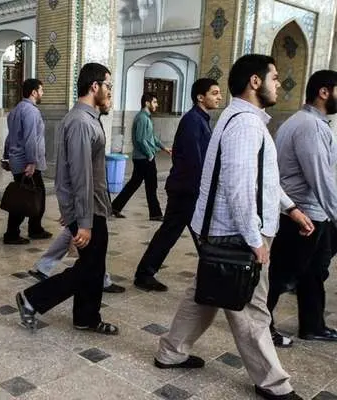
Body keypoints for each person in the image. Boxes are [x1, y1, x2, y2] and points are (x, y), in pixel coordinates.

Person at [154, 54, 314, 400]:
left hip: (226, 229)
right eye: (273, 78)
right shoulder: (245, 124)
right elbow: (238, 186)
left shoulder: (243, 119)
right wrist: (255, 239)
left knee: (204, 293)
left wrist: (291, 209)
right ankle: (273, 383)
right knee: (251, 309)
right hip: (237, 233)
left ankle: (170, 352)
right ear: (255, 81)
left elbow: (263, 179)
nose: (278, 84)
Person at [15, 63, 118, 335]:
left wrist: (69, 206)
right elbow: (79, 175)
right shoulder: (81, 122)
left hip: (92, 205)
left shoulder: (87, 118)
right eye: (108, 86)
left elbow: (71, 171)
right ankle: (32, 299)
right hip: (89, 210)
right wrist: (81, 220)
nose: (110, 91)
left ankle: (86, 318)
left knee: (93, 267)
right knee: (90, 268)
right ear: (94, 86)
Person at [268, 70, 337, 347]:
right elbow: (320, 178)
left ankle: (313, 325)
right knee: (281, 276)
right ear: (324, 92)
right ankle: (261, 326)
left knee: (314, 272)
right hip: (301, 216)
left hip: (313, 213)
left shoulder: (306, 121)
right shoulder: (309, 126)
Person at [133, 79, 221, 292]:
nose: (219, 97)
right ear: (200, 97)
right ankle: (214, 277)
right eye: (214, 93)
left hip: (188, 188)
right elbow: (193, 160)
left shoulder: (200, 119)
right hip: (187, 189)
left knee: (178, 232)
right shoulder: (192, 121)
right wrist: (203, 188)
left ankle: (146, 273)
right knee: (186, 233)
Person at [2, 79, 52, 245]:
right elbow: (30, 138)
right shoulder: (31, 111)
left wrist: (6, 156)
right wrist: (32, 162)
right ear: (34, 92)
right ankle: (24, 231)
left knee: (22, 195)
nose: (42, 93)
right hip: (27, 163)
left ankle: (25, 229)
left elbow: (10, 137)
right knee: (32, 197)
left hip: (17, 160)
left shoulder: (15, 110)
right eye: (41, 90)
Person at [111, 92, 171, 220]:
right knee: (151, 185)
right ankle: (155, 214)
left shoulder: (146, 117)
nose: (157, 105)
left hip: (143, 158)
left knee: (135, 183)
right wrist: (150, 154)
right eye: (154, 102)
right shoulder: (142, 118)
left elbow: (151, 137)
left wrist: (164, 148)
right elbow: (140, 139)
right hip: (144, 158)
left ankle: (115, 207)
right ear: (147, 103)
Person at [28, 220, 125, 293]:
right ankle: (102, 280)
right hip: (88, 211)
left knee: (70, 231)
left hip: (84, 209)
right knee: (94, 244)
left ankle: (43, 266)